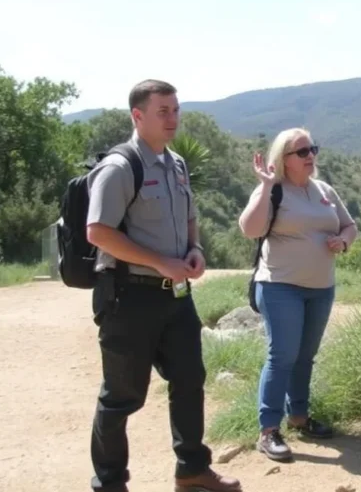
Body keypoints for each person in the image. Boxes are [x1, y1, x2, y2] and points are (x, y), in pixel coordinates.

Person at [85, 79, 241, 492]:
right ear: (138, 116)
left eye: (176, 109)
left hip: (175, 297)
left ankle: (191, 470)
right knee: (122, 397)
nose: (173, 118)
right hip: (128, 296)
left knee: (190, 380)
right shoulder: (120, 167)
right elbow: (98, 232)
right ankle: (109, 483)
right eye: (163, 111)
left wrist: (195, 251)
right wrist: (162, 263)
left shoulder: (176, 164)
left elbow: (188, 216)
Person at [237, 127, 358, 462]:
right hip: (279, 286)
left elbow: (350, 226)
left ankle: (300, 417)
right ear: (284, 159)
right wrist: (264, 185)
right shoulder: (272, 191)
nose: (310, 157)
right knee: (283, 355)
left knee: (306, 355)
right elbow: (249, 229)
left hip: (321, 288)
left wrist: (343, 241)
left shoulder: (324, 191)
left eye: (312, 149)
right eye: (302, 152)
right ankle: (268, 431)